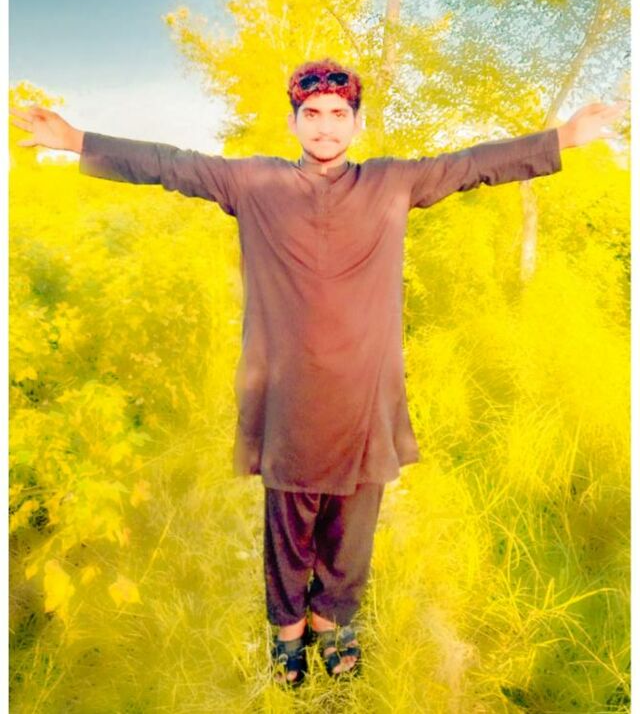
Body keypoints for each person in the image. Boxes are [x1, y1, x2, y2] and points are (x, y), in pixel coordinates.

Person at [9, 59, 626, 687]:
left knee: (353, 521)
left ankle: (332, 618)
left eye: (338, 114)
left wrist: (563, 138)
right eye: (312, 114)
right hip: (288, 391)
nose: (325, 126)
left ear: (357, 123)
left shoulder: (392, 182)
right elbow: (170, 164)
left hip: (366, 389)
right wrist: (77, 140)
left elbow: (472, 164)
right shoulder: (254, 183)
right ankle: (287, 628)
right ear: (293, 122)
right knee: (289, 518)